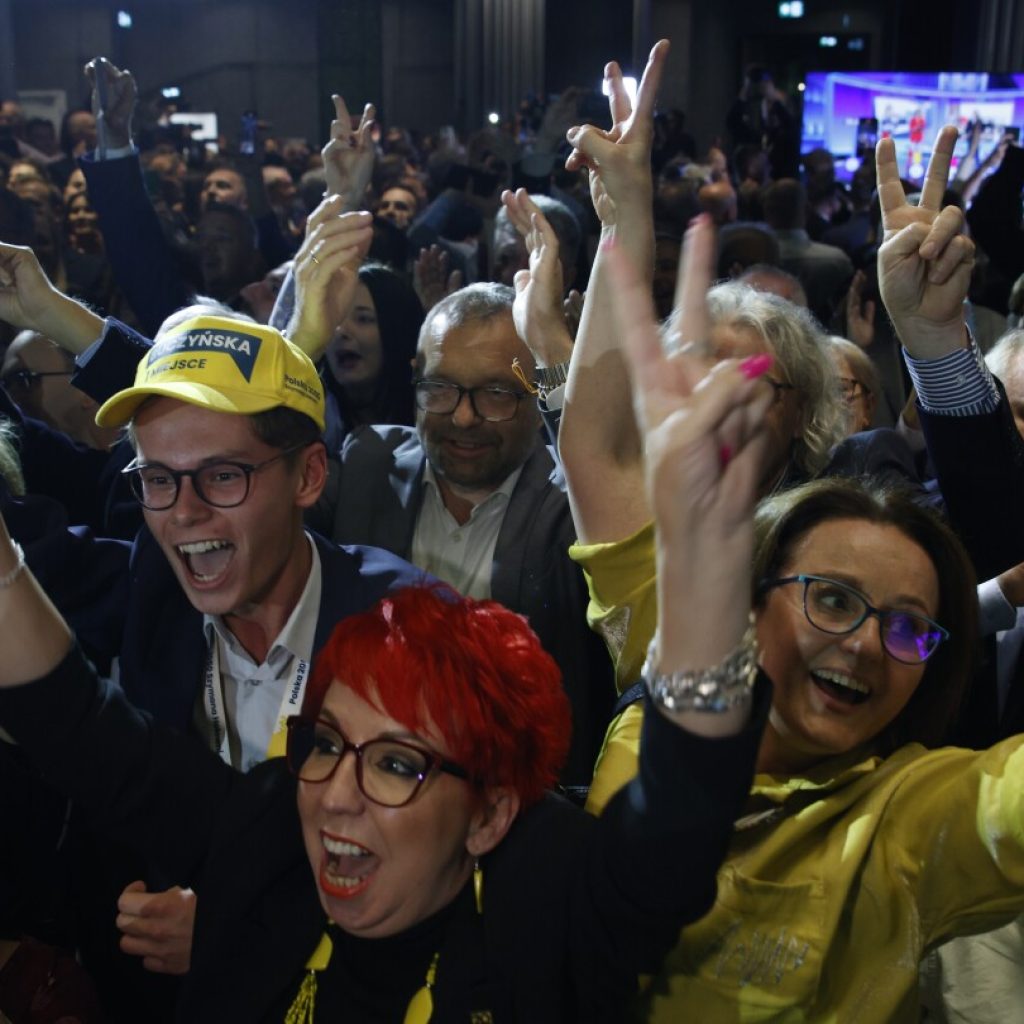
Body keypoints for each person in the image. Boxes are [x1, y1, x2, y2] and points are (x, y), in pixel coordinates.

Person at [0, 525, 768, 1021]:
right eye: (328, 743)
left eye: (398, 763)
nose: (335, 795)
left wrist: (706, 569)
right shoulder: (270, 831)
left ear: (489, 815)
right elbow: (84, 730)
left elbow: (674, 826)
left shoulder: (545, 896)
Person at [589, 175, 1024, 1021]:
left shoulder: (907, 816)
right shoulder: (661, 687)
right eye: (830, 600)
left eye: (909, 629)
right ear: (745, 601)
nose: (865, 643)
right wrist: (623, 218)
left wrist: (934, 340)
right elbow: (596, 456)